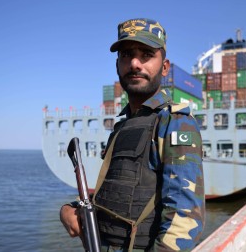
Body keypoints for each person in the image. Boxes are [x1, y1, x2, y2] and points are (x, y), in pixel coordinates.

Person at [60, 18, 205, 251]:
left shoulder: (175, 123)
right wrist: (70, 209)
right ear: (117, 65)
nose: (135, 63)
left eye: (146, 54)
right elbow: (117, 194)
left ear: (165, 67)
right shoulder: (123, 126)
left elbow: (185, 220)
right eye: (126, 55)